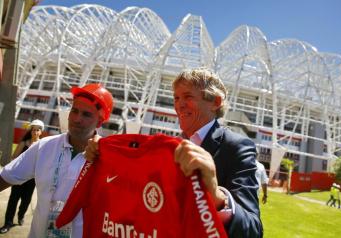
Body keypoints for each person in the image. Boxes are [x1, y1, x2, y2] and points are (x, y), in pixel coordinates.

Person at [86, 68, 263, 237]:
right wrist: (107, 156)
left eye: (188, 96)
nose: (179, 104)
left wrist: (216, 196)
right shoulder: (168, 147)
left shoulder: (236, 147)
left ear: (215, 102)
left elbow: (253, 230)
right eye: (176, 98)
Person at [0, 83, 113, 237]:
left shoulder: (108, 160)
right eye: (74, 111)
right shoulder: (44, 147)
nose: (77, 119)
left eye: (86, 114)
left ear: (100, 122)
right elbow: (6, 177)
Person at [0, 120, 44, 234]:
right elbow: (14, 157)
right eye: (33, 129)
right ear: (31, 131)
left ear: (41, 132)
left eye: (37, 130)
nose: (35, 132)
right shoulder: (24, 143)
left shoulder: (42, 146)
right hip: (18, 177)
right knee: (13, 199)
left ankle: (21, 216)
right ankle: (7, 223)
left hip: (31, 180)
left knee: (26, 200)